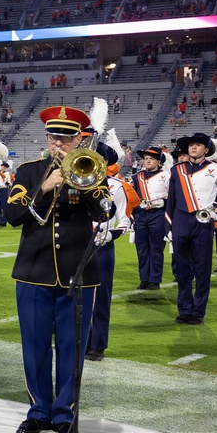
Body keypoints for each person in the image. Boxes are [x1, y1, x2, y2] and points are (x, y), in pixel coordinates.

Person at [5, 106, 114, 433]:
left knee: (72, 347)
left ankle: (65, 413)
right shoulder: (28, 171)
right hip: (33, 271)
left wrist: (85, 183)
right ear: (47, 138)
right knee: (34, 346)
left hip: (78, 274)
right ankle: (39, 410)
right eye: (54, 137)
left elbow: (105, 211)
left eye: (67, 138)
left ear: (79, 139)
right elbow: (12, 214)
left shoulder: (92, 171)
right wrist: (46, 186)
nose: (59, 144)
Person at [166, 133, 217, 325]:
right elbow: (170, 200)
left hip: (203, 222)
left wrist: (215, 212)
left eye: (198, 145)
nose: (193, 147)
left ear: (206, 149)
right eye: (191, 145)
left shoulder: (216, 169)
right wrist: (168, 226)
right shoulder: (176, 170)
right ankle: (185, 309)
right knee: (182, 270)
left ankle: (198, 312)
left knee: (202, 269)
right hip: (180, 220)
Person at [86, 144, 130, 361]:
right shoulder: (73, 183)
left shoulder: (117, 186)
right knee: (75, 296)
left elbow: (124, 220)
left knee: (101, 297)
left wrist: (111, 235)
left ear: (105, 162)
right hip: (76, 245)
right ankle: (78, 341)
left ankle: (97, 344)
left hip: (102, 244)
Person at [133, 146, 169, 290]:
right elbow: (133, 198)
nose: (147, 161)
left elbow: (173, 197)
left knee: (156, 247)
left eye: (151, 159)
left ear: (158, 161)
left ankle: (154, 280)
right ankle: (144, 278)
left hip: (158, 214)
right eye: (146, 158)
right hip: (141, 215)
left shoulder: (166, 176)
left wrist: (164, 202)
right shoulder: (137, 177)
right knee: (141, 248)